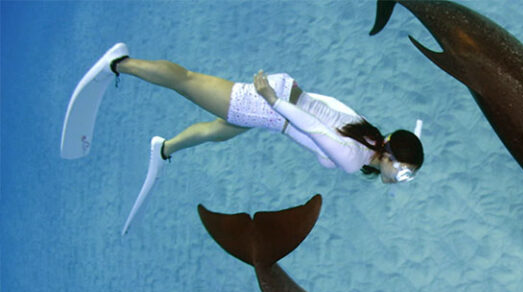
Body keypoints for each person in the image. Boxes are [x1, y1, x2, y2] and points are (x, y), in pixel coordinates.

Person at [64, 43, 425, 233]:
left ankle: (165, 148)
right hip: (273, 107)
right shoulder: (353, 159)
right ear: (392, 158)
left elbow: (326, 106)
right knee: (187, 81)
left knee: (221, 130)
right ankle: (119, 64)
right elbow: (312, 128)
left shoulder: (368, 132)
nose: (401, 180)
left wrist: (285, 97)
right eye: (405, 173)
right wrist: (272, 101)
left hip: (285, 98)